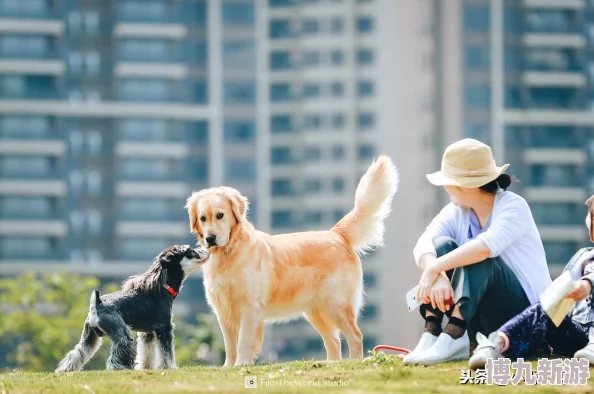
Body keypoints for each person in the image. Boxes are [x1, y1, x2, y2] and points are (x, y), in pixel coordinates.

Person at [404, 138, 552, 365]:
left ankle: (454, 334)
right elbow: (424, 243)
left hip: (525, 323)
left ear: (463, 185)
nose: (444, 188)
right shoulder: (457, 211)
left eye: (447, 181)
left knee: (481, 257)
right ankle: (432, 333)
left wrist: (435, 268)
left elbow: (485, 248)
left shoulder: (514, 206)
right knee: (442, 245)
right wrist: (439, 274)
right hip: (482, 321)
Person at [468, 195, 594, 369]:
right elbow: (560, 294)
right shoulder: (583, 257)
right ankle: (497, 345)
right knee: (544, 310)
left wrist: (588, 283)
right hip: (578, 334)